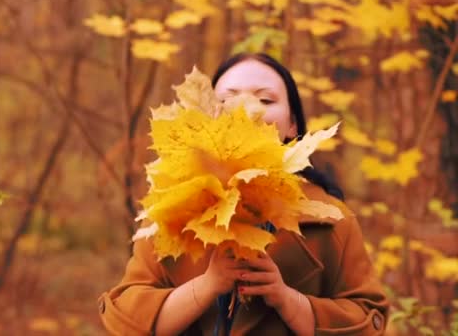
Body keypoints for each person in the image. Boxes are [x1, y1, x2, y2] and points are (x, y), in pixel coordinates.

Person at [97, 53, 389, 335]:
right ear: (206, 119)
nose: (248, 110)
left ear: (292, 124)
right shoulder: (173, 206)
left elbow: (368, 319)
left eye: (265, 99)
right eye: (227, 100)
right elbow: (124, 319)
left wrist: (288, 300)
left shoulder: (330, 218)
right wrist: (208, 285)